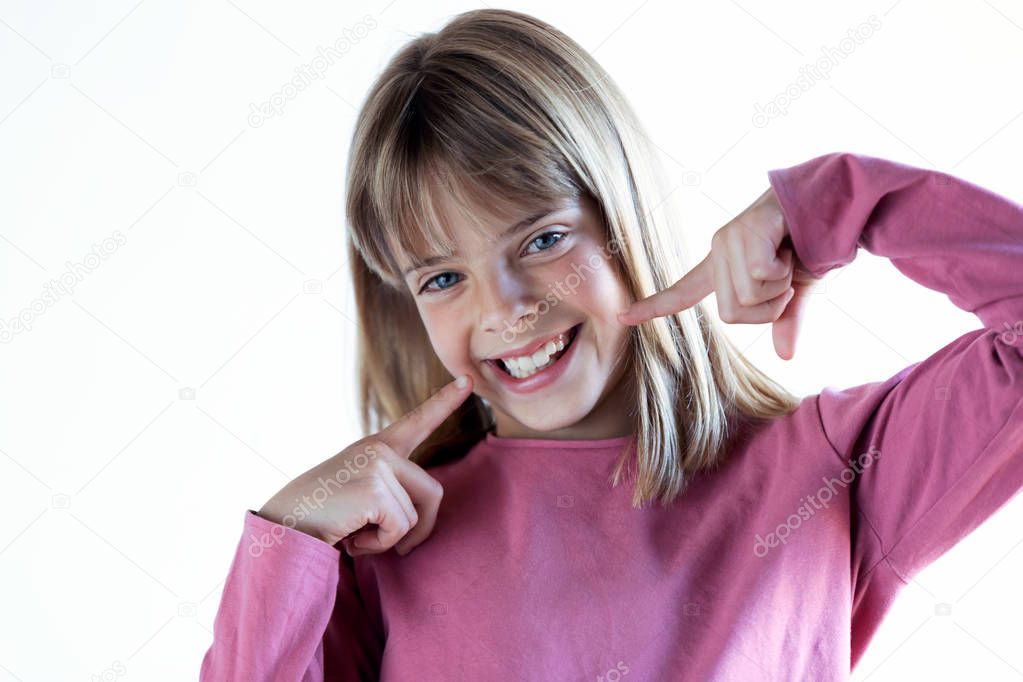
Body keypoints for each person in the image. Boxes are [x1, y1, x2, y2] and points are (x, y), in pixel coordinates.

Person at [200, 8, 1023, 681]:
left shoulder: (828, 474)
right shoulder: (382, 549)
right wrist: (287, 540)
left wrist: (839, 202)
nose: (508, 309)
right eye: (442, 279)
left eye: (543, 240)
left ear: (623, 220)